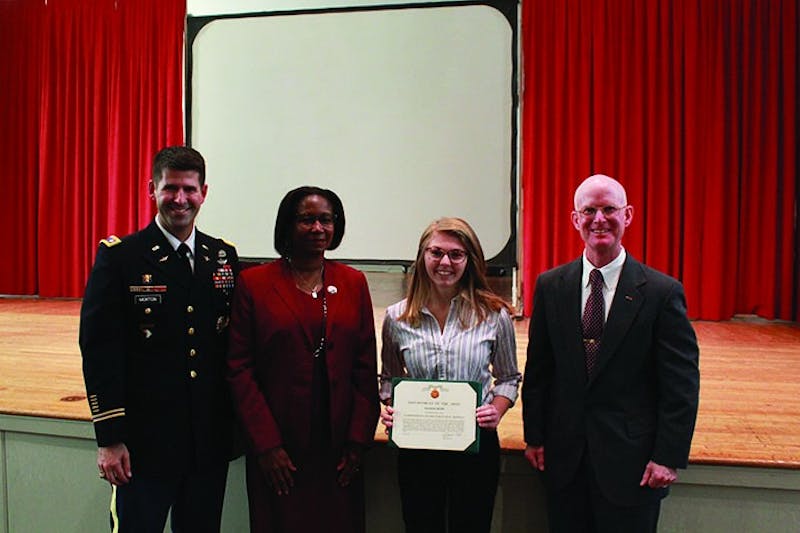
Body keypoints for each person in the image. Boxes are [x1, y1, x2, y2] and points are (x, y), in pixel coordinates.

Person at [522, 174, 700, 532]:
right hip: (564, 462)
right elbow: (539, 370)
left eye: (609, 209)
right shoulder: (551, 286)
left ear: (628, 215)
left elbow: (681, 386)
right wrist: (535, 436)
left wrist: (667, 456)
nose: (598, 219)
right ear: (575, 219)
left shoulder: (662, 293)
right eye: (589, 210)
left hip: (633, 469)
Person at [79, 146, 240, 532]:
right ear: (151, 189)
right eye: (170, 189)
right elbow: (99, 352)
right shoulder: (122, 257)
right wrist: (110, 438)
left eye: (189, 189)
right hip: (143, 448)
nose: (180, 199)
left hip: (205, 446)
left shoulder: (222, 257)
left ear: (204, 192)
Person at [227, 186, 379, 533]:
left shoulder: (353, 282)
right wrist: (266, 445)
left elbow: (365, 366)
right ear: (287, 225)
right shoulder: (254, 283)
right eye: (306, 219)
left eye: (326, 220)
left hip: (338, 449)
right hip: (279, 450)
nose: (317, 228)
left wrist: (358, 441)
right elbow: (239, 369)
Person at [379, 217, 521, 533]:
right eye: (436, 253)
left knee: (471, 526)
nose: (446, 262)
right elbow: (388, 377)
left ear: (469, 260)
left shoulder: (494, 315)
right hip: (417, 446)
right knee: (420, 525)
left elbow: (509, 378)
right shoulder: (396, 318)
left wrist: (496, 410)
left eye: (456, 254)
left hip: (476, 443)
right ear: (422, 257)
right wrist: (392, 408)